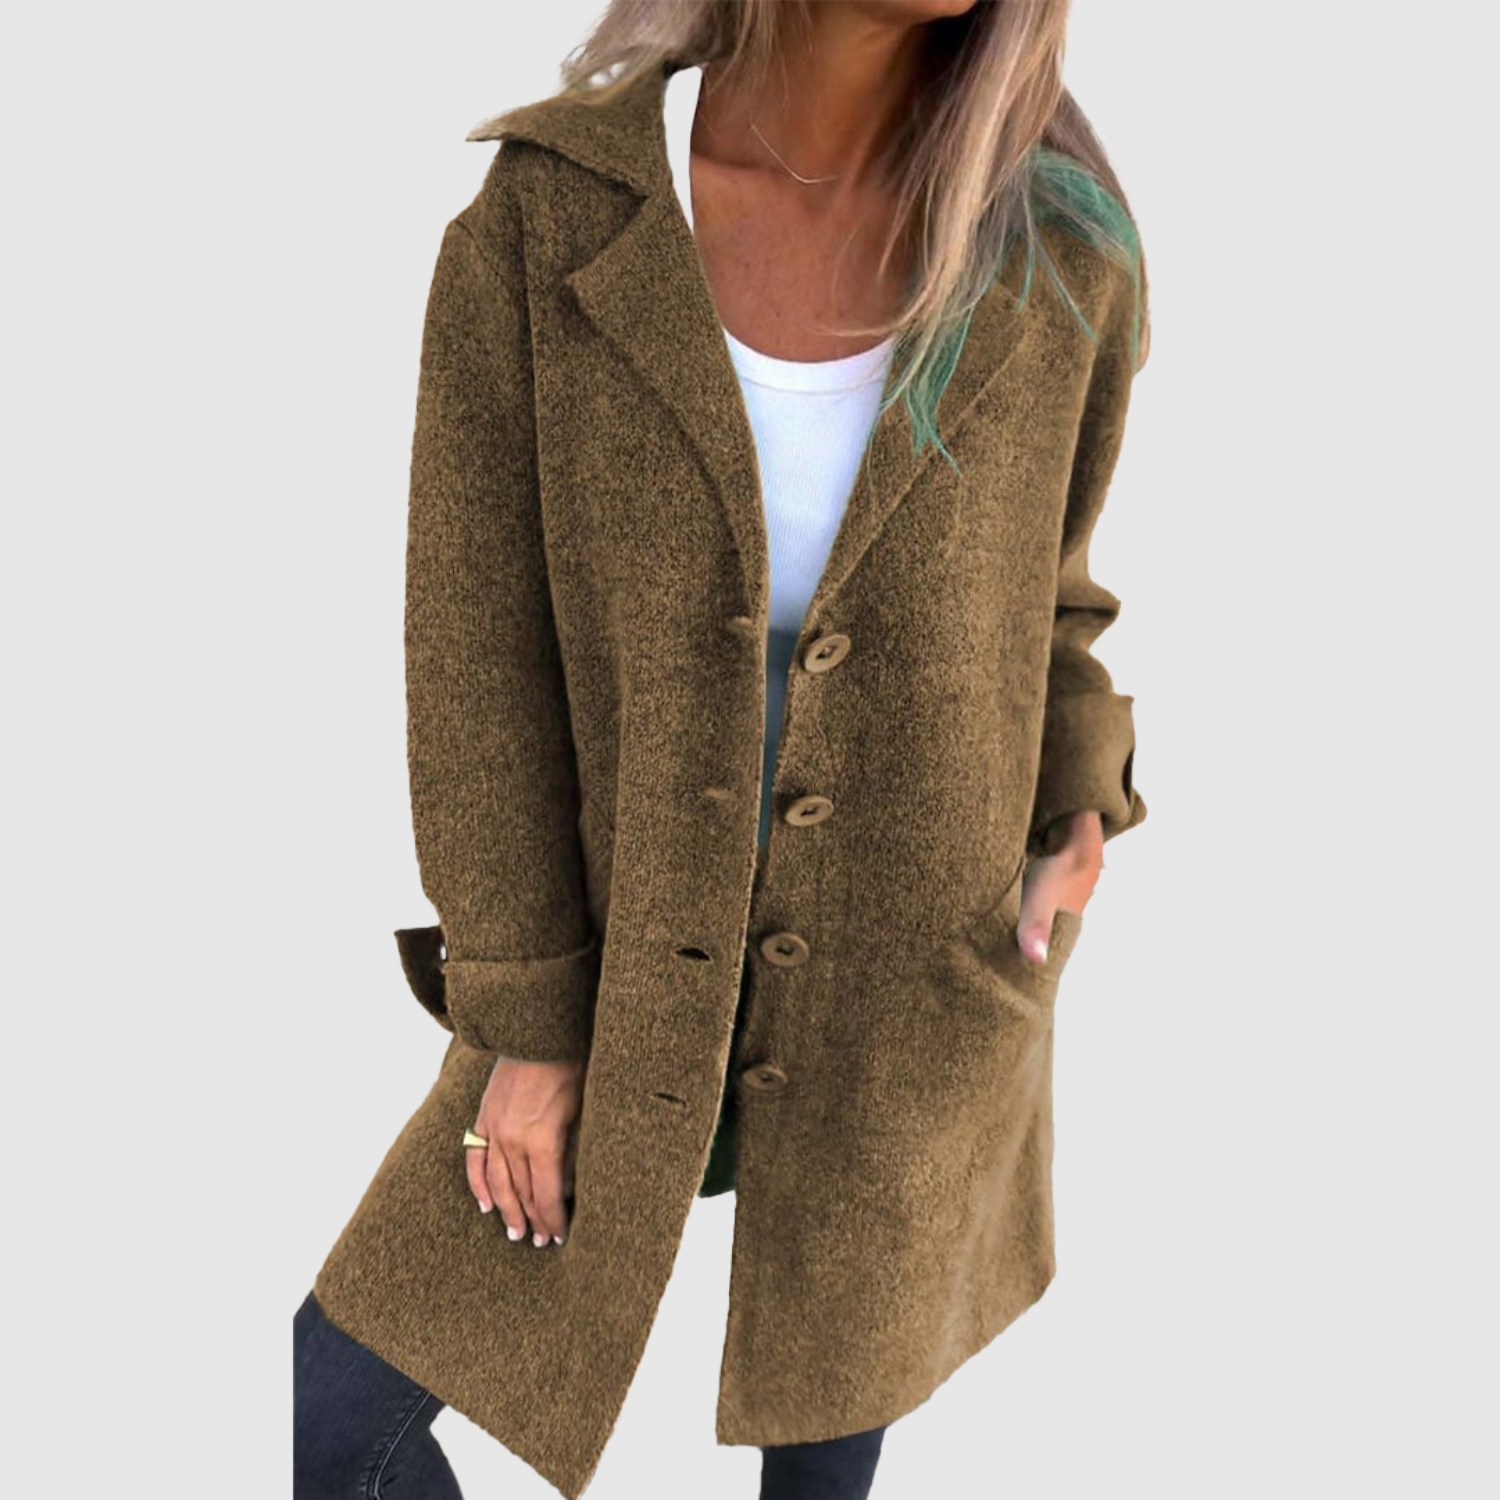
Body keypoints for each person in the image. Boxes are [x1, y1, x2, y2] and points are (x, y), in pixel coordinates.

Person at [296, 2, 1151, 1496]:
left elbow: (1054, 597)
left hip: (907, 991)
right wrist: (529, 1023)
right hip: (617, 961)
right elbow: (474, 656)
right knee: (334, 1414)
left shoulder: (1056, 251)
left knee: (822, 1440)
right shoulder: (553, 217)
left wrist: (1081, 806)